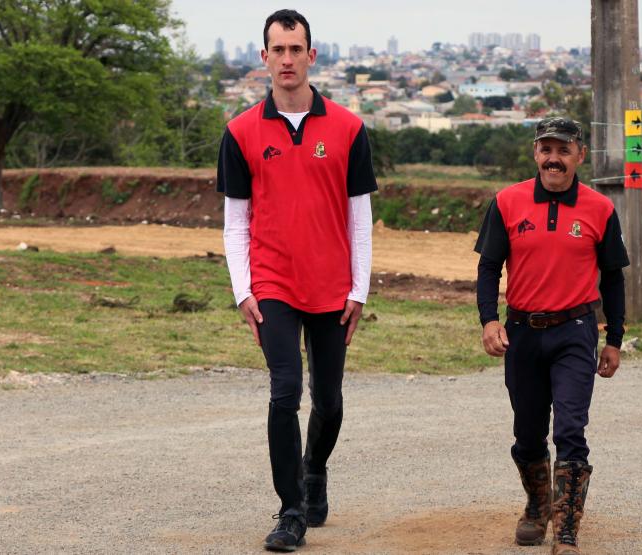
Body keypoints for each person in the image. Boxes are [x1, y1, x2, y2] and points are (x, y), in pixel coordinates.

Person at [216, 9, 377, 552]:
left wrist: (360, 289)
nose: (287, 59)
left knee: (327, 400)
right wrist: (244, 290)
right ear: (263, 58)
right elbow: (236, 222)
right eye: (277, 50)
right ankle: (290, 511)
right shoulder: (240, 132)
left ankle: (314, 469)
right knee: (285, 392)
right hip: (273, 284)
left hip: (332, 285)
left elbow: (361, 217)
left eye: (296, 49)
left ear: (312, 55)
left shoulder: (350, 128)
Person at [474, 117, 629, 555]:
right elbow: (488, 268)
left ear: (581, 155)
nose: (554, 159)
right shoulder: (507, 202)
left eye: (563, 150)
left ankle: (565, 532)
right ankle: (538, 504)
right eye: (546, 149)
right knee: (527, 433)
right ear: (535, 153)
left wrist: (613, 339)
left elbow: (613, 278)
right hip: (522, 331)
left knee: (571, 431)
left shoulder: (600, 208)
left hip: (574, 332)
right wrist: (490, 320)